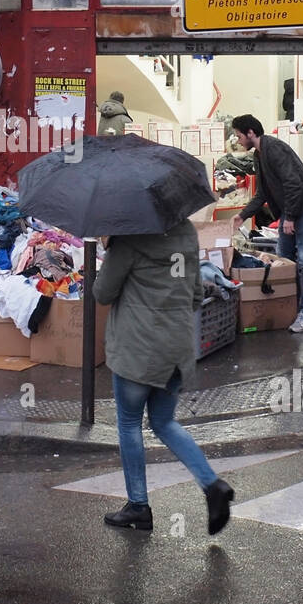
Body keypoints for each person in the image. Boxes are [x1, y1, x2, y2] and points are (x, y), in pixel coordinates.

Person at [93, 220, 235, 535]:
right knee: (163, 422)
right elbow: (196, 294)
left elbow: (102, 292)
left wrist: (109, 248)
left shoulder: (128, 239)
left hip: (138, 349)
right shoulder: (185, 232)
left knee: (130, 424)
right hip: (176, 348)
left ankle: (139, 505)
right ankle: (212, 485)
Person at [230, 114, 303, 332]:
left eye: (239, 135)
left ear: (251, 132)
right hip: (291, 210)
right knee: (283, 259)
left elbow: (293, 184)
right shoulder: (258, 155)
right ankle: (288, 306)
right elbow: (263, 193)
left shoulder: (274, 149)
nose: (237, 140)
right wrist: (243, 215)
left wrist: (289, 217)